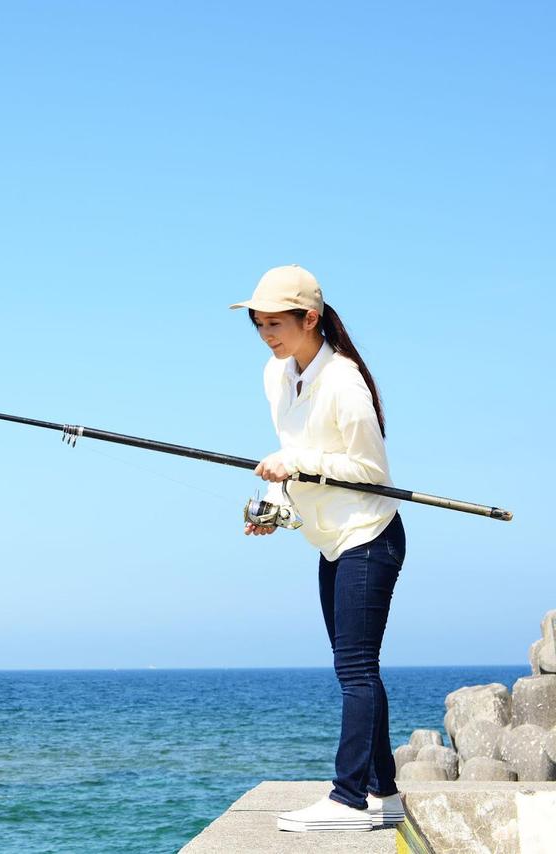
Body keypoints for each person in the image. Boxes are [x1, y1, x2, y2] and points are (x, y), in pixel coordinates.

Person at [231, 265, 407, 833]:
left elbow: (369, 471)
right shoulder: (276, 375)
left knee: (356, 668)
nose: (267, 335)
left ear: (311, 318)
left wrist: (295, 466)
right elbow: (295, 452)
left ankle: (349, 800)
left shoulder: (344, 380)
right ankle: (384, 791)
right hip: (329, 540)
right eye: (258, 324)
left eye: (276, 323)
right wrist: (276, 503)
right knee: (354, 668)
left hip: (368, 536)